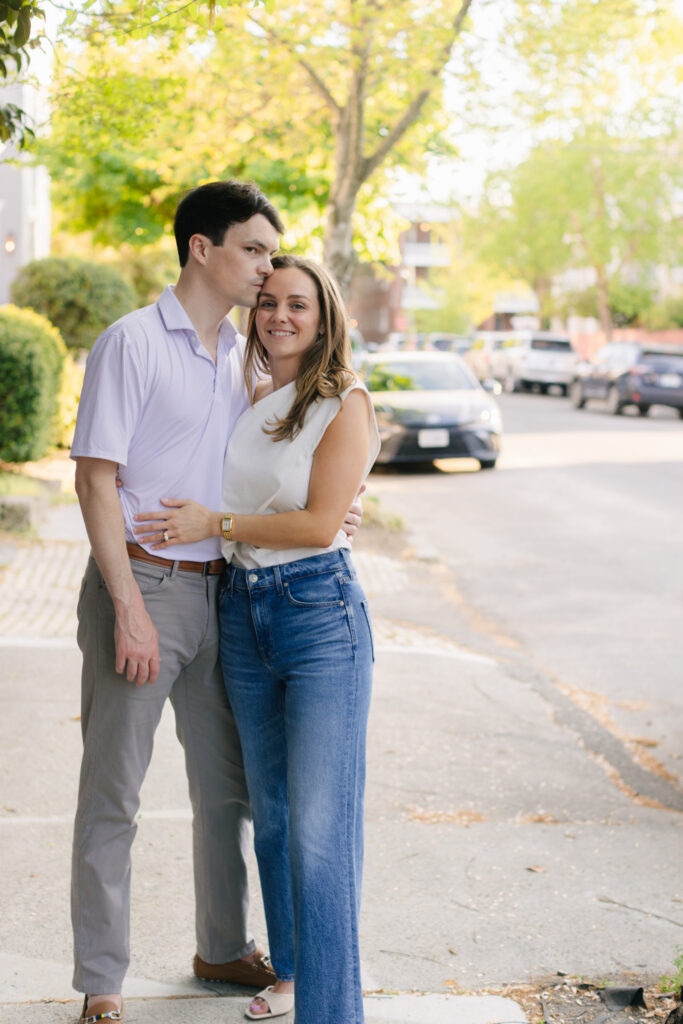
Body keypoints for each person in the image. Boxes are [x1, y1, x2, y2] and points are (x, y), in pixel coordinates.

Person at [132, 254, 380, 1023]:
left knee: (317, 825)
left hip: (318, 620)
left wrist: (217, 524)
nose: (278, 315)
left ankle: (331, 1013)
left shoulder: (346, 401)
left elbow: (314, 526)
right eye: (267, 301)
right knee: (271, 814)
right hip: (244, 612)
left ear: (324, 316)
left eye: (297, 304)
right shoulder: (254, 393)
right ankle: (294, 972)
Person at [70, 181, 292, 1024]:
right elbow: (95, 478)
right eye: (255, 250)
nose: (266, 268)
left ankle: (222, 945)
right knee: (114, 794)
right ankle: (102, 981)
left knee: (225, 790)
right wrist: (126, 604)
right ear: (202, 248)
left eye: (271, 253)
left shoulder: (247, 355)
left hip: (224, 592)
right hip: (144, 587)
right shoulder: (130, 342)